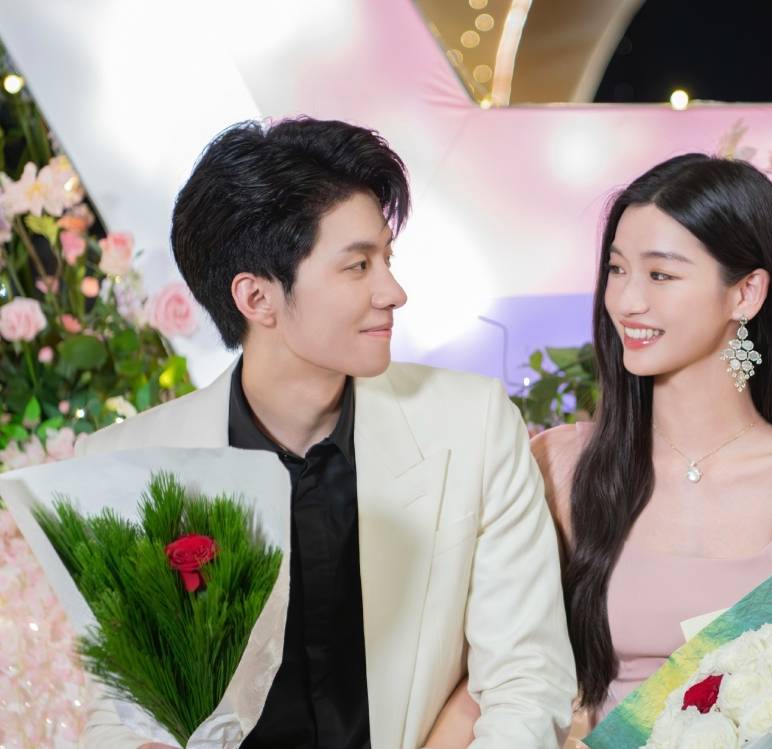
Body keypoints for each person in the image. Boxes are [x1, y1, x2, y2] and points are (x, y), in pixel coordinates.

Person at [74, 117, 576, 749]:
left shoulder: (472, 426)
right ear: (257, 299)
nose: (393, 292)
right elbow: (122, 717)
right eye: (358, 265)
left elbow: (527, 678)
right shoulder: (126, 465)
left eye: (386, 259)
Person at [437, 154, 772, 747]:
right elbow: (490, 687)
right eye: (617, 269)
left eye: (660, 275)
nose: (626, 301)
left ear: (746, 293)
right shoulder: (559, 467)